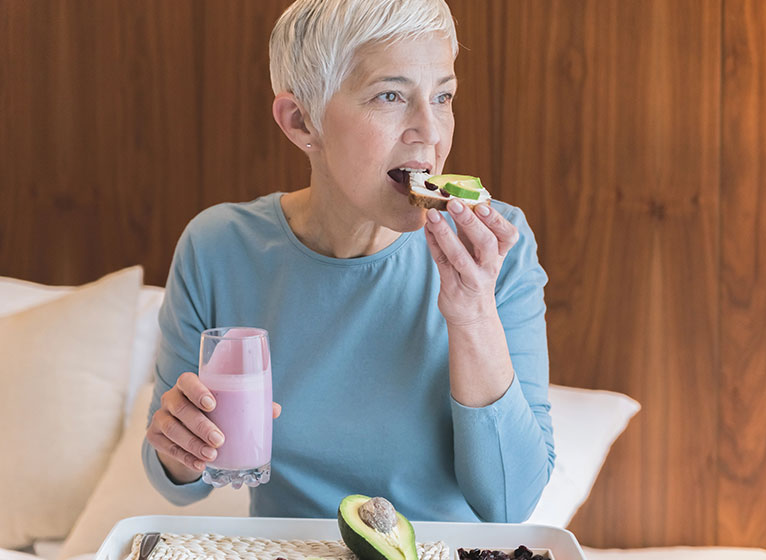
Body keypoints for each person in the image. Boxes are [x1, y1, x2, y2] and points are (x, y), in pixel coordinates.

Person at [143, 0, 554, 523]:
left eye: (443, 96)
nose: (430, 131)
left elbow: (508, 504)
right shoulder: (219, 248)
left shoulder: (495, 250)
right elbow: (180, 488)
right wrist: (179, 446)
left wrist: (473, 318)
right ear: (301, 121)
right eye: (390, 95)